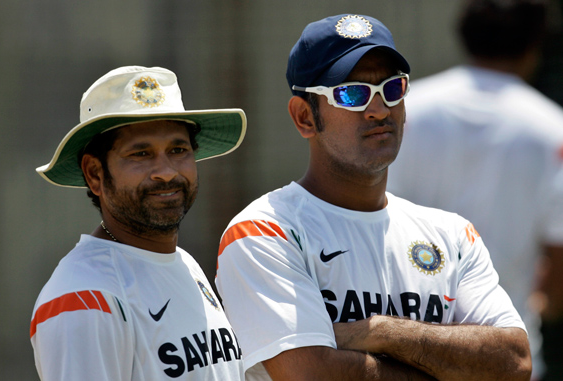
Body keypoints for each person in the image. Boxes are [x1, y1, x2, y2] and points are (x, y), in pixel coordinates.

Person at [215, 14, 532, 380]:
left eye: (392, 89)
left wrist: (378, 332)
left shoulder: (454, 235)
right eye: (353, 93)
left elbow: (515, 363)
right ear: (304, 117)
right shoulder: (265, 232)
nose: (379, 109)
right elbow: (311, 375)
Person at [30, 66, 247, 380]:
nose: (167, 171)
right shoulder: (83, 299)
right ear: (94, 174)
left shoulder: (183, 263)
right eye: (141, 153)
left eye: (178, 150)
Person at [386, 1, 563, 378]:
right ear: (536, 43)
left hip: (408, 356)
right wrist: (538, 303)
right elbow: (559, 259)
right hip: (508, 357)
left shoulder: (404, 110)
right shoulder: (552, 130)